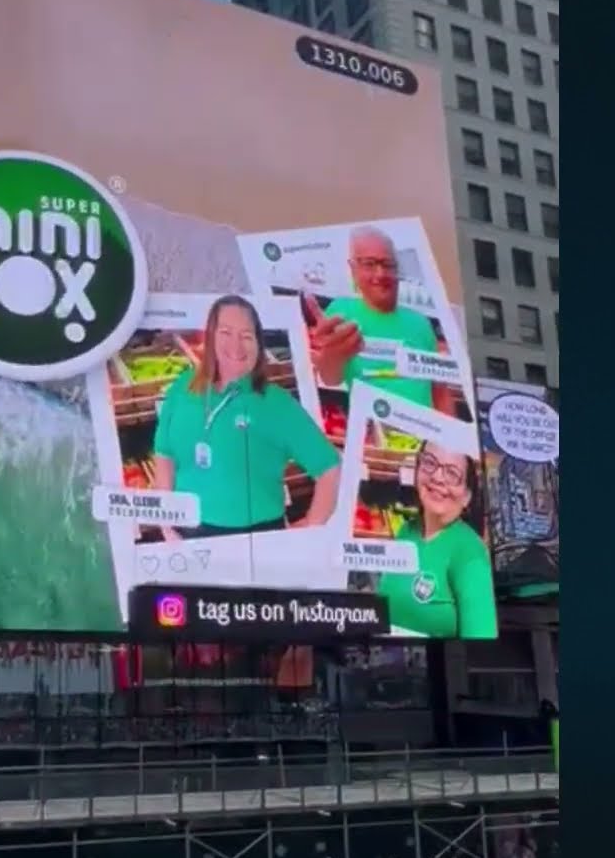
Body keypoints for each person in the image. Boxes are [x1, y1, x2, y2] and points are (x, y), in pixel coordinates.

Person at [152, 295, 340, 540]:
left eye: (247, 336)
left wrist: (309, 527)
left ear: (259, 345)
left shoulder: (277, 405)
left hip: (255, 540)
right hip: (186, 535)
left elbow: (329, 468)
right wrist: (167, 526)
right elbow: (164, 453)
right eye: (226, 332)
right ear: (210, 336)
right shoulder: (182, 388)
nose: (236, 346)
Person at [305, 226, 460, 415]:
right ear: (353, 269)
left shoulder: (420, 323)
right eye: (369, 264)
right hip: (374, 437)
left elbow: (441, 393)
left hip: (425, 439)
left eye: (387, 265)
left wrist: (450, 440)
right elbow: (330, 378)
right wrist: (331, 356)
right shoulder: (341, 311)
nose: (380, 274)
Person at [376, 444, 498, 639]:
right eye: (430, 462)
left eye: (452, 473)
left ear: (467, 495)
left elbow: (481, 644)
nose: (438, 477)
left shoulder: (469, 553)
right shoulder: (406, 531)